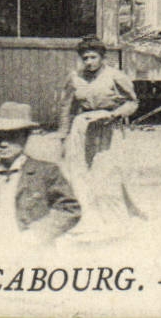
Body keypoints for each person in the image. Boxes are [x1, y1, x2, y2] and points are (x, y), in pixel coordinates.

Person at [56, 37, 142, 240]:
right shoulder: (75, 78)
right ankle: (88, 220)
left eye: (93, 57)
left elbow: (133, 103)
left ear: (102, 58)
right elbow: (66, 108)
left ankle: (115, 222)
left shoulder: (115, 76)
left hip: (107, 128)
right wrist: (63, 136)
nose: (89, 62)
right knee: (79, 175)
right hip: (81, 130)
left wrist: (116, 114)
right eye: (85, 58)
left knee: (106, 176)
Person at [0, 101, 81, 243]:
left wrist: (37, 234)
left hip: (31, 254)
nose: (3, 143)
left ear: (25, 137)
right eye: (0, 136)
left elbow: (70, 209)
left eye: (11, 136)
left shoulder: (46, 172)